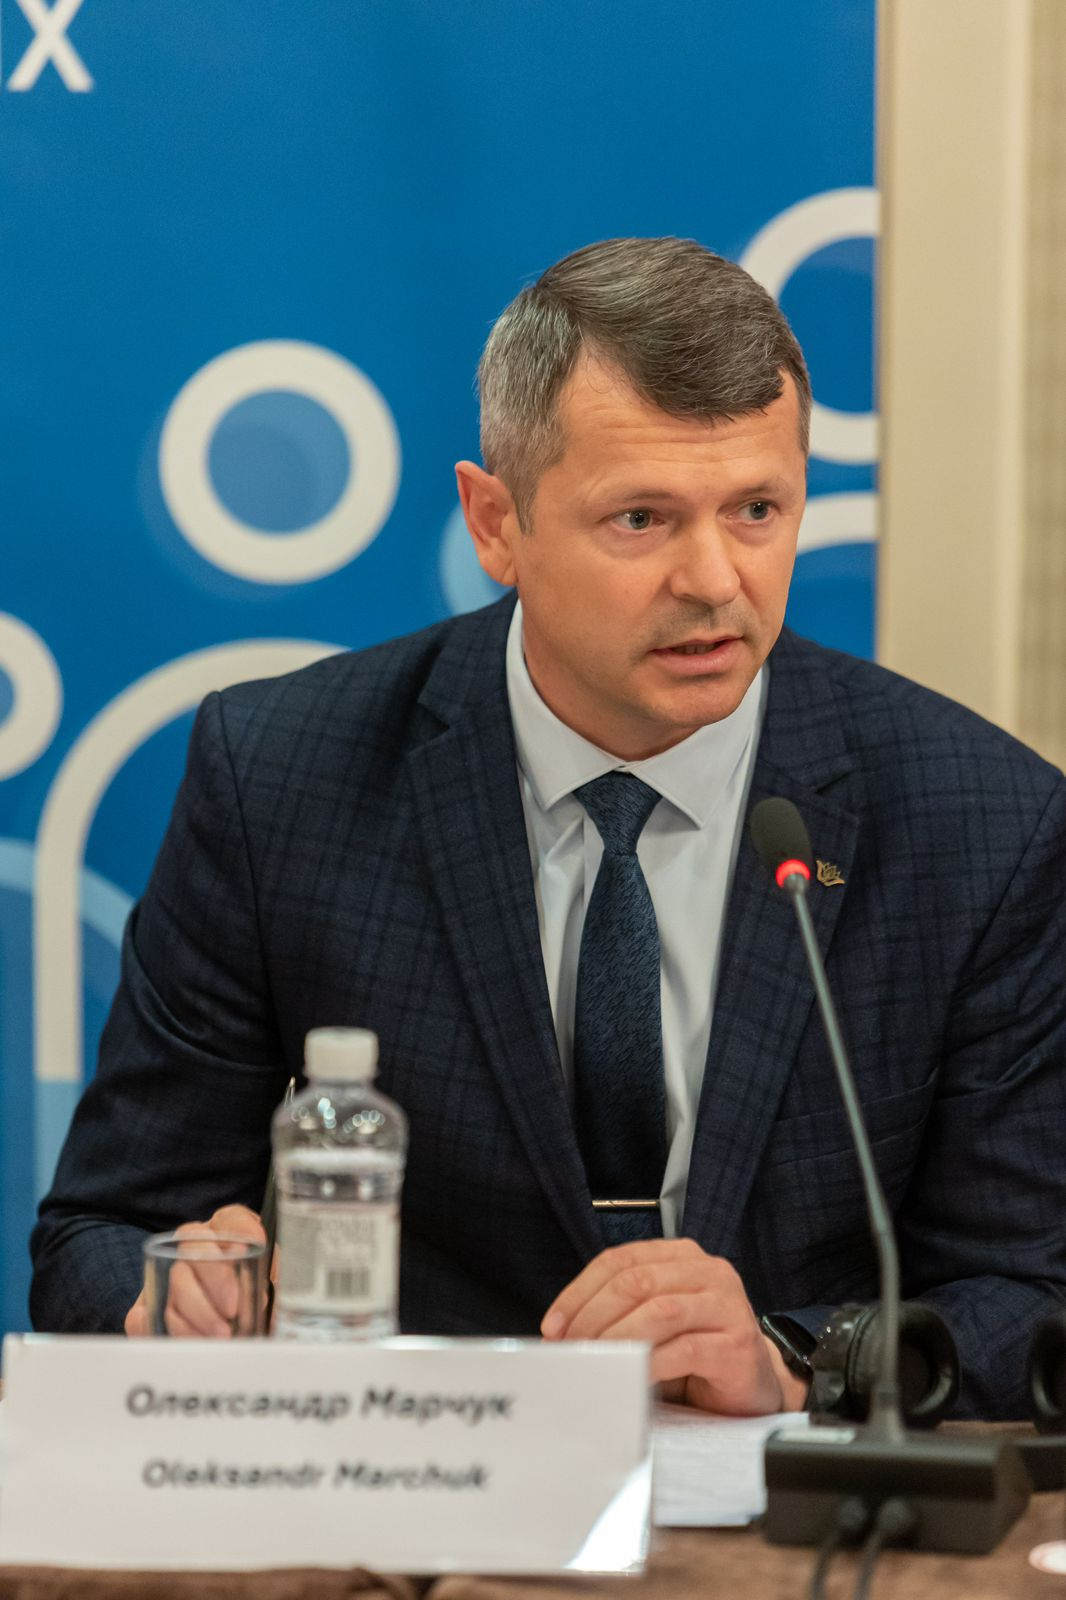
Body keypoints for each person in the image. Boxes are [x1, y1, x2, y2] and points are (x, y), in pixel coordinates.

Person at [31, 238, 1066, 1420]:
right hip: (402, 1482)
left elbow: (1031, 1294)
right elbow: (98, 1236)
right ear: (496, 522)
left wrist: (796, 1359)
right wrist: (177, 1296)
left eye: (756, 509)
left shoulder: (978, 822)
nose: (714, 579)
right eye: (641, 517)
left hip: (782, 1501)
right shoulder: (281, 779)